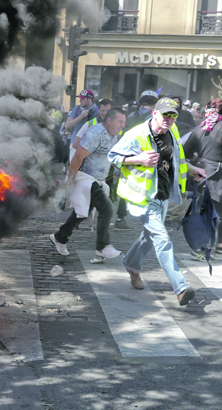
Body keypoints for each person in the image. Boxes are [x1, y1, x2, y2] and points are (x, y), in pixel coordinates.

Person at [108, 98, 207, 306]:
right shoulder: (136, 134)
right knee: (162, 239)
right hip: (142, 198)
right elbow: (113, 156)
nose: (169, 120)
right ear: (154, 113)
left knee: (149, 236)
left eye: (173, 116)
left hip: (162, 195)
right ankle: (180, 287)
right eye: (165, 115)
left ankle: (131, 264)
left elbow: (177, 159)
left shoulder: (171, 133)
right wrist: (138, 159)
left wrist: (193, 170)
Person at [50, 108, 127, 258]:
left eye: (124, 122)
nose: (123, 125)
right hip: (86, 179)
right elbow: (78, 157)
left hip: (99, 180)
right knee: (107, 208)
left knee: (81, 213)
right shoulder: (94, 134)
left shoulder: (113, 135)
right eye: (120, 121)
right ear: (109, 121)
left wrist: (125, 169)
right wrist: (70, 180)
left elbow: (110, 157)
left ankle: (60, 237)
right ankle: (102, 246)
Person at [183, 98, 222, 260]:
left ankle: (205, 247)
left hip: (201, 173)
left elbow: (185, 153)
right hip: (217, 174)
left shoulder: (200, 128)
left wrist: (198, 160)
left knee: (204, 210)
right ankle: (204, 248)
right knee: (214, 211)